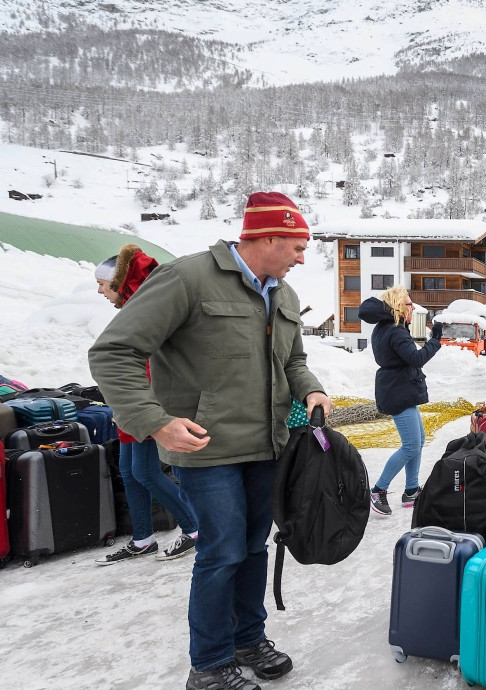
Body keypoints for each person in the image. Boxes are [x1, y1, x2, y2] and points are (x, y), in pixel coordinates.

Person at [89, 192, 333, 690]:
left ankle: (249, 638)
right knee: (221, 552)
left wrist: (312, 390)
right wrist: (155, 421)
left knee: (253, 548)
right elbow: (113, 351)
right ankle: (210, 663)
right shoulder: (188, 277)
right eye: (296, 247)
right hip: (207, 449)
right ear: (266, 238)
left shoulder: (283, 296)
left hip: (267, 447)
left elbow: (293, 362)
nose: (302, 258)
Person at [92, 245, 201, 565]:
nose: (98, 290)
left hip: (146, 405)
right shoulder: (132, 307)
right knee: (129, 471)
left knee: (145, 472)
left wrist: (144, 408)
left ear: (118, 281)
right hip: (131, 407)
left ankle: (194, 528)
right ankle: (142, 538)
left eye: (102, 283)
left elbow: (151, 362)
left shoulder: (143, 306)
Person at [358, 287, 443, 515]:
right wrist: (435, 339)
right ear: (397, 306)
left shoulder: (386, 328)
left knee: (419, 440)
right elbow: (416, 358)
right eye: (408, 303)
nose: (413, 307)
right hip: (398, 391)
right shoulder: (395, 331)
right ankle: (378, 490)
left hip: (400, 388)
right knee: (410, 445)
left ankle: (411, 490)